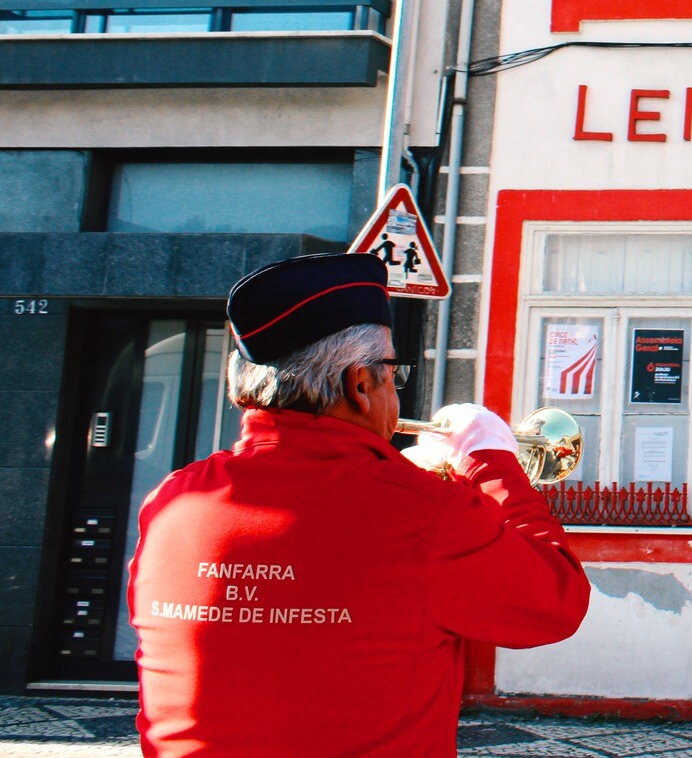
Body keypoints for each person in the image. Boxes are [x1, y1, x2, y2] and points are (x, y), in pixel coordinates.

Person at [128, 253, 590, 757]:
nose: (395, 390)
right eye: (393, 373)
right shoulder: (425, 513)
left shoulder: (169, 499)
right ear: (361, 385)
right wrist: (490, 462)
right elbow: (557, 603)